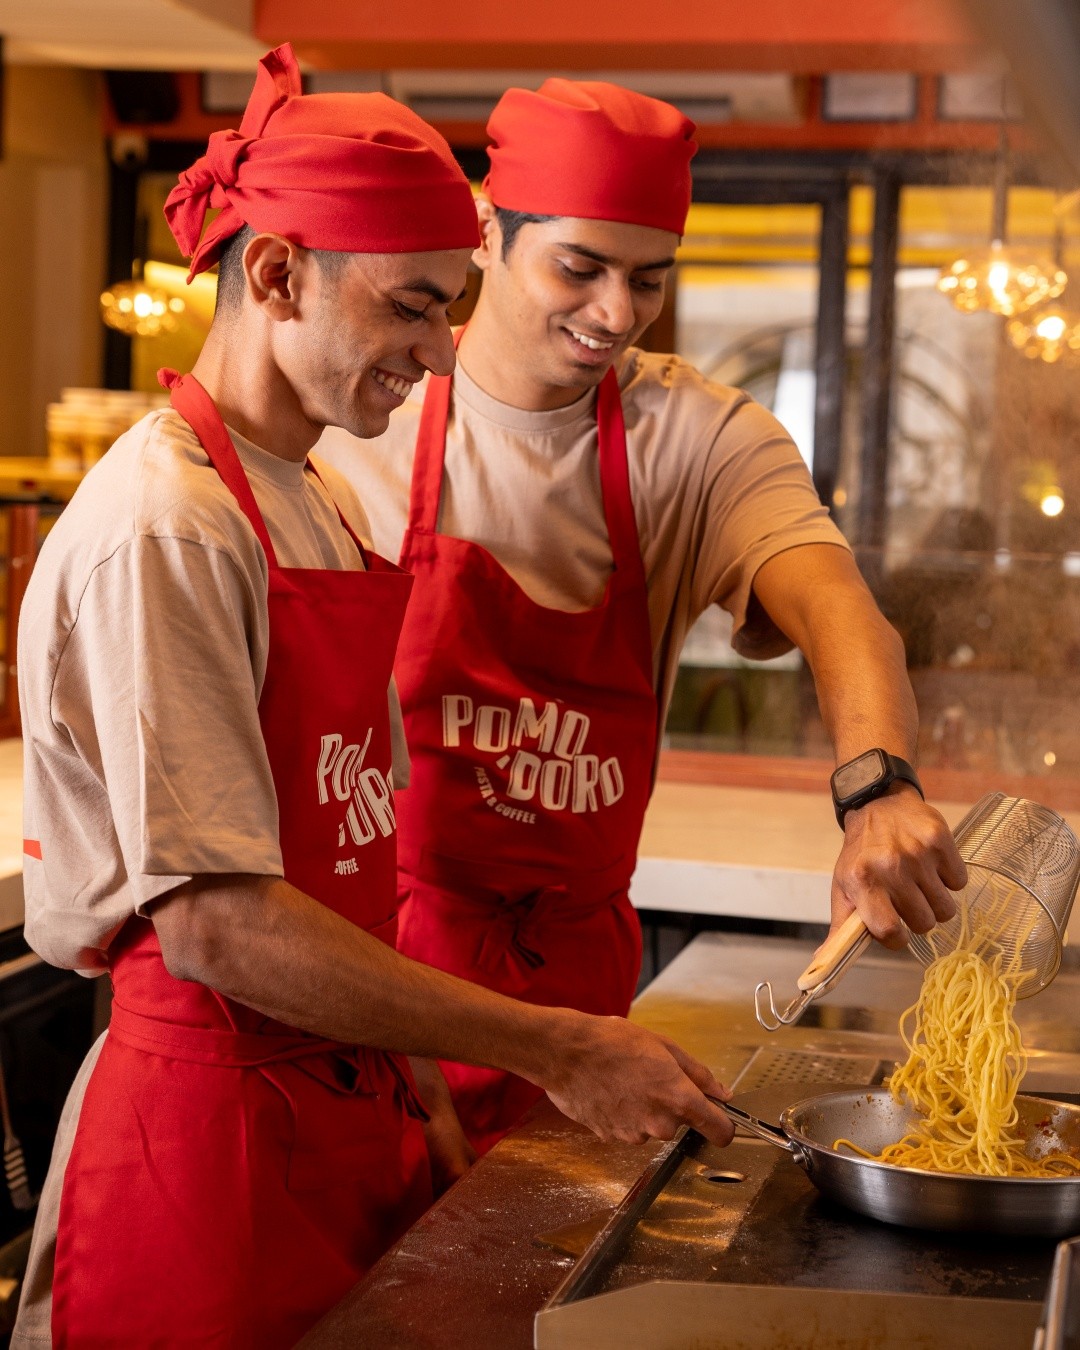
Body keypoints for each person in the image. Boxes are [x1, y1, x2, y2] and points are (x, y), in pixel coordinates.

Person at [12, 50, 734, 1350]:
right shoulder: (168, 525)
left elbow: (349, 851)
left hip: (342, 1104)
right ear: (279, 273)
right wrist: (554, 1045)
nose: (439, 349)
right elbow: (221, 927)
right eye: (411, 305)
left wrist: (421, 1085)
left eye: (452, 306)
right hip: (207, 1138)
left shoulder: (320, 494)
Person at [316, 78, 968, 1154]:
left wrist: (878, 785)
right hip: (387, 972)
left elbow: (837, 607)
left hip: (581, 986)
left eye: (648, 278)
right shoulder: (363, 421)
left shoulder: (700, 438)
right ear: (487, 230)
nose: (616, 312)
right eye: (580, 267)